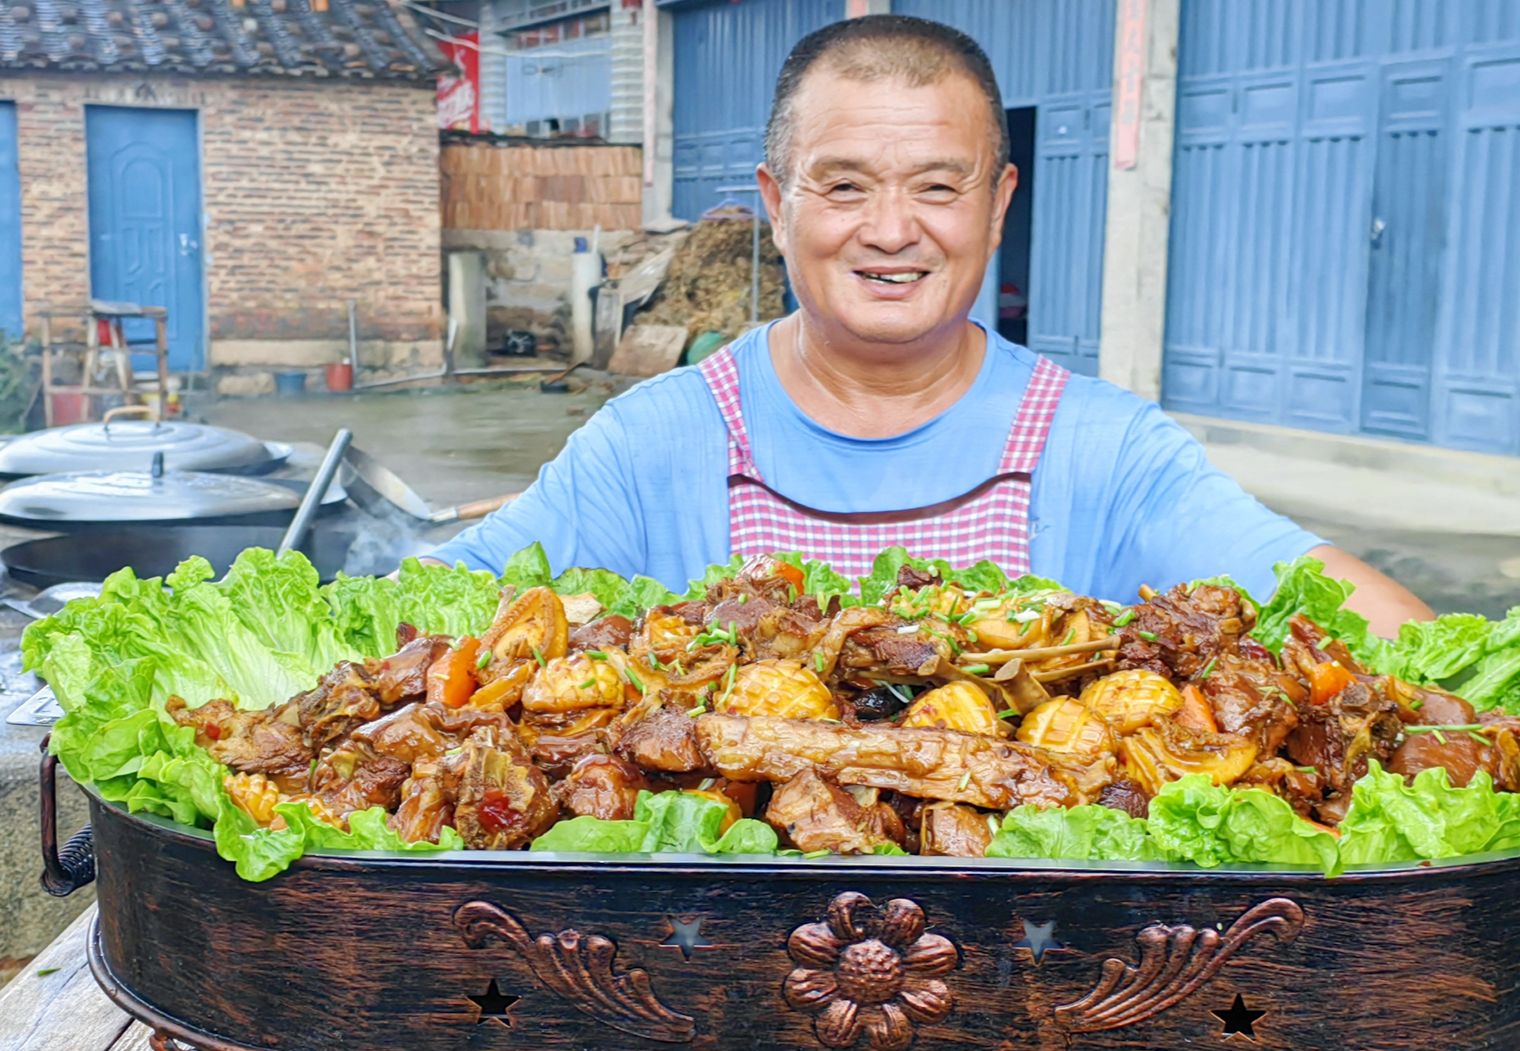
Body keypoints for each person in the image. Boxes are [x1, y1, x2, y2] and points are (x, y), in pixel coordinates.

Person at [428, 14, 1432, 634]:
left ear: (996, 204)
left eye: (936, 186)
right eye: (845, 185)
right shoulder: (649, 444)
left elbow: (1366, 621)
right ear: (775, 203)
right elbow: (410, 615)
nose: (891, 231)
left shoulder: (1109, 452)